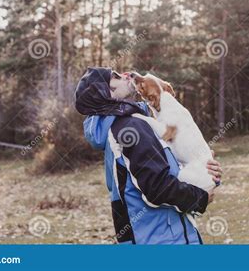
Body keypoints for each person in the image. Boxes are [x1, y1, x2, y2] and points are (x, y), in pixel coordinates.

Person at [74, 67, 222, 244]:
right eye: (115, 76)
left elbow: (161, 170)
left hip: (156, 234)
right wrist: (200, 198)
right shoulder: (130, 127)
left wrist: (203, 166)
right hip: (162, 238)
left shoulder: (121, 127)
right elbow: (157, 188)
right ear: (104, 92)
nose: (125, 74)